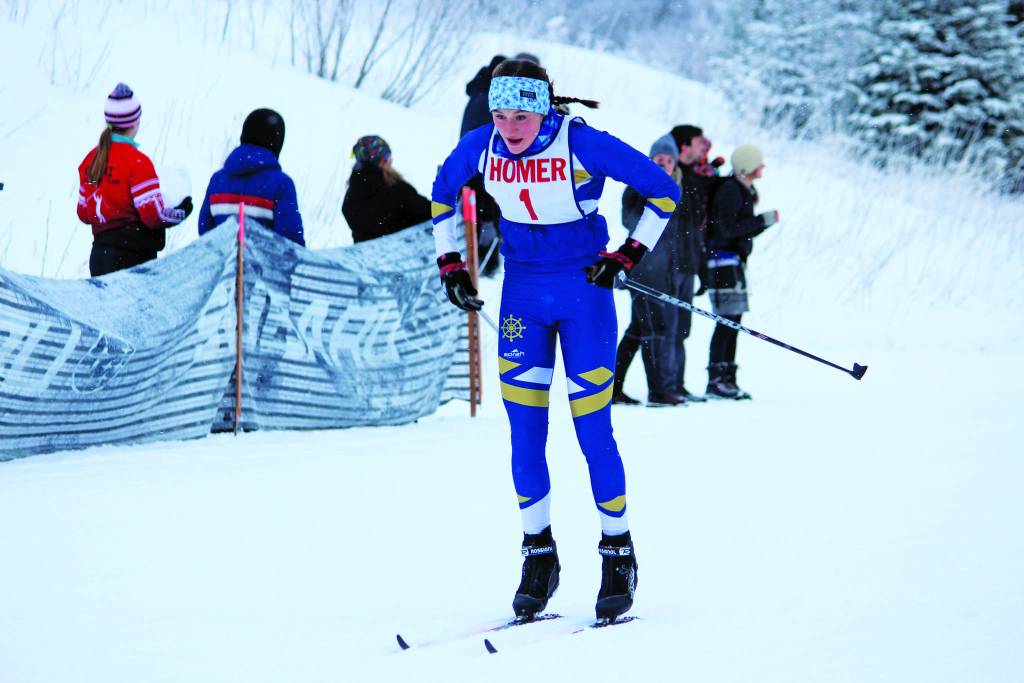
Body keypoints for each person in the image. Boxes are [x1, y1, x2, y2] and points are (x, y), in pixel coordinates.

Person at [431, 59, 680, 623]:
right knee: (525, 433)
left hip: (583, 294)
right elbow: (442, 194)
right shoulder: (481, 145)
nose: (509, 128)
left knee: (592, 430)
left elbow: (662, 192)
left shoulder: (581, 143)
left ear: (543, 106)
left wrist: (627, 254)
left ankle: (617, 551)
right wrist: (450, 262)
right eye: (499, 114)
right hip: (522, 296)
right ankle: (538, 555)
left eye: (521, 115)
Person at [77, 83, 192, 277]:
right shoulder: (137, 163)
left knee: (105, 308)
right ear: (135, 123)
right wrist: (181, 212)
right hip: (133, 259)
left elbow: (84, 212)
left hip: (99, 258)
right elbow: (153, 215)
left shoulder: (91, 160)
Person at [612, 135, 687, 407]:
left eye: (668, 161)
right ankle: (658, 390)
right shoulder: (638, 187)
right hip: (643, 271)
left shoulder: (675, 189)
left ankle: (612, 387)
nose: (664, 164)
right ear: (651, 160)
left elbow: (676, 235)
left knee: (636, 331)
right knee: (654, 329)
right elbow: (630, 221)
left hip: (664, 272)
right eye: (659, 160)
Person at [705, 144, 780, 400]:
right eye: (759, 163)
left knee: (732, 322)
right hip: (722, 264)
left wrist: (760, 224)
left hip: (730, 263)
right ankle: (717, 379)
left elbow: (734, 228)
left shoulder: (741, 189)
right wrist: (762, 221)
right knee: (727, 322)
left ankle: (726, 378)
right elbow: (726, 229)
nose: (763, 167)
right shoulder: (730, 190)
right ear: (748, 165)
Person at [197, 108, 304, 246]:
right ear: (277, 142)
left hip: (223, 265)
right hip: (265, 267)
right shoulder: (281, 184)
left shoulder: (218, 180)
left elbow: (205, 229)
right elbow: (291, 240)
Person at [342, 135, 431, 243]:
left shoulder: (351, 196)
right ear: (381, 160)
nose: (391, 160)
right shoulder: (398, 191)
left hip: (365, 257)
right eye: (388, 156)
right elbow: (431, 213)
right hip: (400, 256)